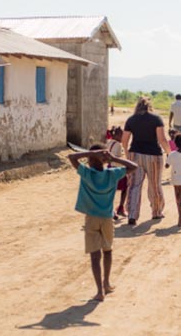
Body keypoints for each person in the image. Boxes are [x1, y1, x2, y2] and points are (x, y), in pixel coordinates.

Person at [68, 145, 138, 301]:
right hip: (107, 218)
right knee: (108, 251)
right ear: (105, 161)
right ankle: (107, 282)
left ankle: (100, 291)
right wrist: (113, 158)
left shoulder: (86, 173)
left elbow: (71, 158)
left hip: (91, 218)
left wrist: (92, 153)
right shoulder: (112, 174)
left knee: (94, 255)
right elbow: (134, 167)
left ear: (90, 161)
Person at [122, 97, 172, 225]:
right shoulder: (156, 119)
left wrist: (128, 154)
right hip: (153, 155)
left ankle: (132, 215)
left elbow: (124, 140)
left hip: (135, 154)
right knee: (154, 184)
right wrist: (169, 154)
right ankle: (156, 212)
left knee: (134, 185)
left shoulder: (131, 120)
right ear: (149, 106)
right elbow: (162, 139)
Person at [106, 126, 128, 218]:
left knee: (111, 190)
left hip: (109, 167)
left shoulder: (109, 142)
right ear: (118, 135)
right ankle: (120, 208)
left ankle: (110, 209)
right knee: (125, 187)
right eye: (122, 135)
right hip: (117, 169)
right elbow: (116, 158)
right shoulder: (118, 145)